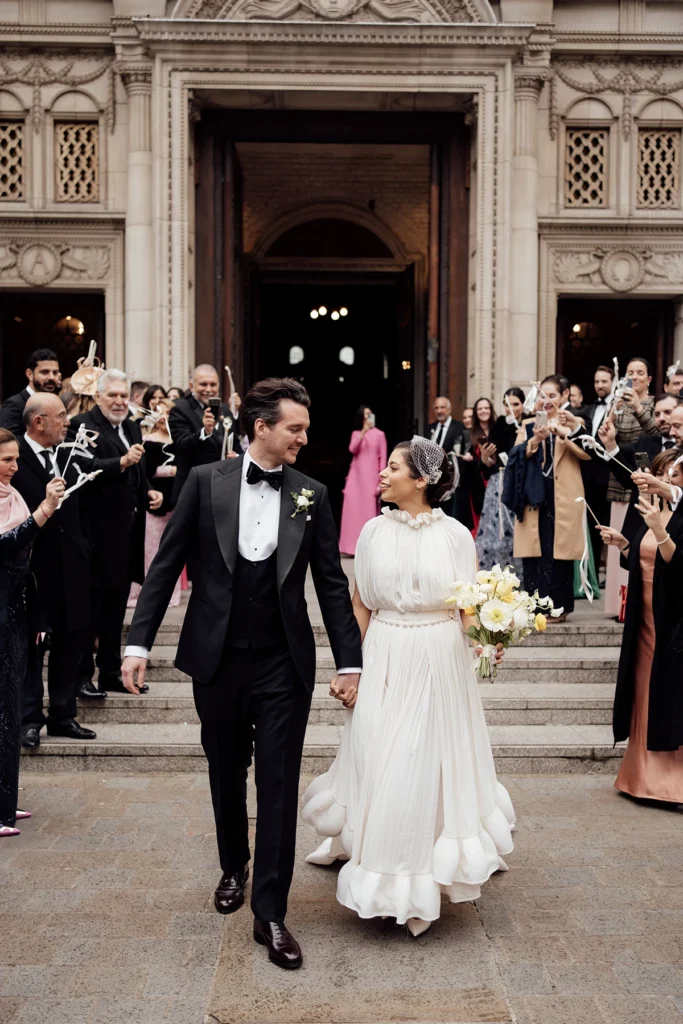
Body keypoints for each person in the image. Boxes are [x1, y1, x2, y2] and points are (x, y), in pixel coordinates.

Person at [121, 378, 362, 971]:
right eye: (295, 429)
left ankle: (271, 911)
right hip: (218, 656)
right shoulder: (205, 483)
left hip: (284, 659)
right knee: (226, 767)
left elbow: (331, 584)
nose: (305, 438)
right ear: (261, 427)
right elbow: (165, 566)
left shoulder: (312, 494)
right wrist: (136, 643)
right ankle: (235, 863)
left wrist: (351, 660)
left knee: (278, 781)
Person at [302, 436, 514, 936]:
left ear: (421, 480)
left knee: (421, 760)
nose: (381, 473)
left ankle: (411, 876)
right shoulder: (372, 531)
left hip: (439, 657)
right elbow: (360, 604)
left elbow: (467, 607)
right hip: (384, 653)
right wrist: (348, 665)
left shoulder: (457, 536)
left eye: (392, 467)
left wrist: (487, 640)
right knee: (378, 753)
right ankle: (370, 842)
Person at [70, 370, 163, 697]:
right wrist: (121, 462)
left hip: (127, 534)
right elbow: (82, 468)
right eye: (114, 396)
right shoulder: (82, 424)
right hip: (96, 534)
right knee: (92, 611)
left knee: (115, 609)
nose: (121, 401)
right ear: (99, 396)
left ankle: (110, 673)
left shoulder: (132, 425)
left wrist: (150, 491)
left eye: (124, 395)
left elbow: (137, 470)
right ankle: (82, 676)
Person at [600, 448, 683, 803]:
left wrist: (658, 530)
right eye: (664, 473)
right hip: (645, 618)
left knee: (669, 691)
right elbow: (645, 559)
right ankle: (638, 775)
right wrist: (622, 544)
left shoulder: (671, 516)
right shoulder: (653, 511)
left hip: (672, 620)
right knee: (644, 689)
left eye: (672, 475)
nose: (665, 480)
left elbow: (677, 565)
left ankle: (670, 783)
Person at [12, 395, 96, 745]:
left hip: (72, 567)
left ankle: (64, 714)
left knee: (71, 639)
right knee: (33, 648)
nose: (68, 422)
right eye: (62, 417)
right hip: (34, 570)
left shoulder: (70, 454)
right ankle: (29, 719)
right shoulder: (13, 458)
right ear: (38, 423)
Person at [0, 428, 65, 837]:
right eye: (6, 459)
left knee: (10, 707)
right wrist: (45, 510)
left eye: (15, 458)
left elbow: (28, 561)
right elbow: (4, 547)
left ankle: (5, 801)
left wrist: (37, 614)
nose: (13, 466)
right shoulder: (26, 501)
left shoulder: (13, 495)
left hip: (16, 611)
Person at [503, 375, 591, 621]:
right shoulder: (529, 423)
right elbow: (514, 455)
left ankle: (559, 607)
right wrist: (535, 440)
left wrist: (563, 432)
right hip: (535, 495)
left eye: (553, 395)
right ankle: (535, 607)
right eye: (544, 395)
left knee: (559, 552)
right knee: (536, 550)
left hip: (563, 494)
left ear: (564, 396)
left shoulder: (575, 422)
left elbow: (587, 452)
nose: (547, 400)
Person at [605, 357, 657, 616]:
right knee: (618, 541)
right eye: (630, 372)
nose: (634, 377)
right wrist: (613, 410)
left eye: (640, 373)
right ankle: (618, 605)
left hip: (646, 481)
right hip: (621, 478)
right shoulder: (619, 405)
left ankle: (634, 603)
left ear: (649, 379)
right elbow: (603, 437)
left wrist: (638, 407)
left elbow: (657, 435)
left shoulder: (656, 405)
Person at [598, 396, 681, 545]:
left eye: (667, 412)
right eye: (657, 414)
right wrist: (610, 444)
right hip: (643, 526)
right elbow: (627, 479)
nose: (662, 419)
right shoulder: (645, 441)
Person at [127, 396, 180, 609]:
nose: (163, 417)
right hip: (154, 500)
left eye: (167, 412)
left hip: (175, 500)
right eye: (159, 413)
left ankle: (170, 595)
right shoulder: (146, 439)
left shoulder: (179, 438)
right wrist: (168, 471)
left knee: (172, 548)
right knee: (150, 548)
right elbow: (144, 471)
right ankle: (142, 594)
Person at [168, 364, 240, 504]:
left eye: (213, 384)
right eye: (203, 384)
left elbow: (236, 444)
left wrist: (235, 456)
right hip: (193, 489)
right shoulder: (180, 409)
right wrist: (205, 432)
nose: (208, 389)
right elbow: (182, 445)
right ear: (191, 386)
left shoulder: (225, 410)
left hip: (223, 487)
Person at [475, 387, 525, 575]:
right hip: (500, 482)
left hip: (522, 482)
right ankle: (495, 573)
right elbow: (490, 463)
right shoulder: (499, 425)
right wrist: (485, 458)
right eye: (507, 405)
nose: (511, 409)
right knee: (497, 532)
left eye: (516, 404)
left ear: (523, 405)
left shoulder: (528, 423)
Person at [339, 405, 387, 557]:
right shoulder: (356, 433)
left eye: (369, 414)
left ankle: (368, 548)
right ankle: (350, 548)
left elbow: (383, 458)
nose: (367, 417)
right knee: (352, 513)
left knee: (368, 514)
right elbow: (352, 449)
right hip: (355, 479)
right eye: (365, 415)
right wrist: (364, 432)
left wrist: (381, 481)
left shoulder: (380, 435)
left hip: (371, 479)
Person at [581, 365, 616, 568]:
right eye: (597, 381)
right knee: (594, 524)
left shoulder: (618, 408)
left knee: (611, 524)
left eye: (604, 381)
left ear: (612, 382)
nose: (600, 385)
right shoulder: (590, 408)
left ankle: (611, 571)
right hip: (590, 476)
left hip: (611, 474)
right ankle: (592, 572)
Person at [455, 397, 496, 536]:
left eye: (486, 408)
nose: (483, 411)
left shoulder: (498, 429)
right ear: (476, 412)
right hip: (476, 482)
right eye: (480, 409)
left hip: (495, 480)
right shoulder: (469, 433)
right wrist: (468, 457)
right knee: (477, 520)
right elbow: (463, 455)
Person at [0, 349, 61, 436]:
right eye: (45, 372)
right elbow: (7, 442)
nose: (51, 377)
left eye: (55, 372)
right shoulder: (14, 405)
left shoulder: (57, 403)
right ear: (30, 374)